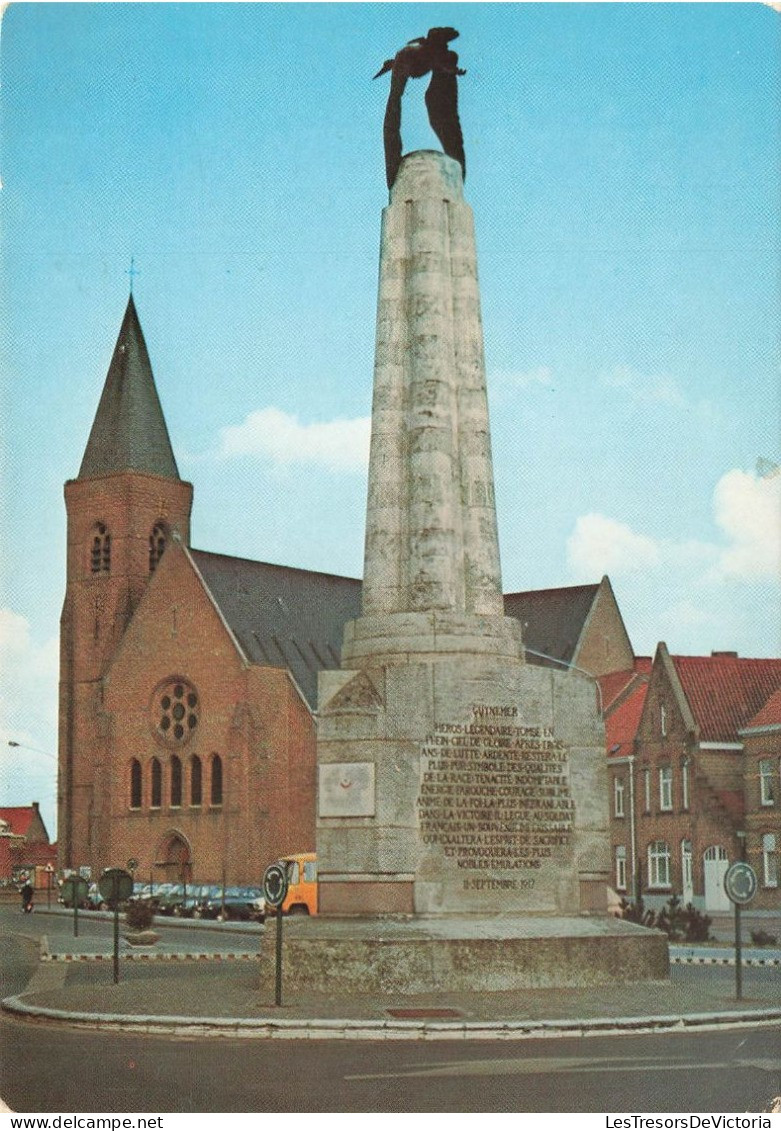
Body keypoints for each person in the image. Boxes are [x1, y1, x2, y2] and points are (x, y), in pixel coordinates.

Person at [374, 27, 467, 189]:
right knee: (395, 108)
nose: (445, 48)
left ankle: (458, 165)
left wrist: (452, 70)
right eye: (442, 45)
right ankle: (393, 171)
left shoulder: (446, 56)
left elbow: (444, 66)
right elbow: (393, 110)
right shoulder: (409, 55)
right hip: (404, 66)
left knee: (441, 111)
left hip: (431, 89)